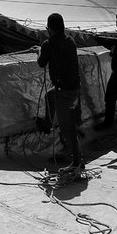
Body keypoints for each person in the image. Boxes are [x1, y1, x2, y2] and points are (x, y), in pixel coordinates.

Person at [36, 13, 83, 172]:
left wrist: (39, 51)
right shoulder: (70, 41)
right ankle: (48, 124)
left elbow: (42, 62)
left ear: (49, 28)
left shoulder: (48, 44)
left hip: (64, 92)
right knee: (49, 95)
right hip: (74, 88)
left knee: (67, 128)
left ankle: (76, 162)